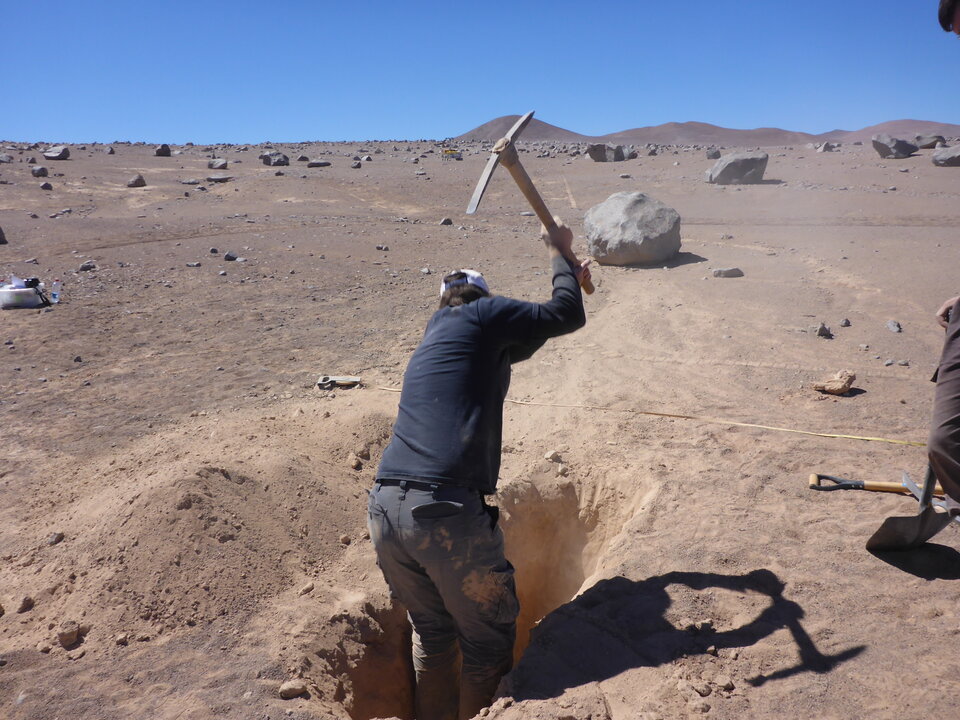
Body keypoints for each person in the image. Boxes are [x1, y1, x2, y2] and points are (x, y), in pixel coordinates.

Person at [367, 221, 590, 720]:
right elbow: (565, 315)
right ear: (482, 299)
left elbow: (525, 342)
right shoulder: (485, 315)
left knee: (435, 634)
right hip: (443, 512)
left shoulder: (439, 333)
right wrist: (560, 255)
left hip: (384, 509)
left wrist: (569, 276)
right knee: (488, 646)